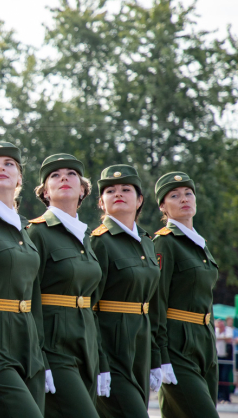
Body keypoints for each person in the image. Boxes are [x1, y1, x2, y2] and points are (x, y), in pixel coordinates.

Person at [0, 142, 45, 418]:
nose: (0, 168)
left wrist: (41, 356)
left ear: (19, 178)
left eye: (9, 164)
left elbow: (34, 297)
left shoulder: (25, 229)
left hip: (29, 345)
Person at [26, 153, 102, 418]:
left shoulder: (86, 236)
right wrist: (39, 356)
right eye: (55, 176)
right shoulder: (38, 232)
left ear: (82, 190)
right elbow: (30, 295)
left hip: (86, 344)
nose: (64, 178)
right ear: (45, 192)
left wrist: (99, 356)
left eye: (71, 174)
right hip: (54, 345)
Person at [90, 165, 161, 417]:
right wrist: (99, 360)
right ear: (101, 202)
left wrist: (155, 356)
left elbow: (151, 305)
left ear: (139, 200)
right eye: (110, 190)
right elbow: (89, 306)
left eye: (126, 189)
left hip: (140, 346)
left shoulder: (147, 243)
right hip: (112, 347)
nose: (118, 193)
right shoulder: (99, 241)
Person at [149, 171, 219, 418]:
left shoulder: (200, 244)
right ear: (163, 206)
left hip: (205, 341)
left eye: (188, 193)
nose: (184, 199)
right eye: (174, 196)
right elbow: (156, 301)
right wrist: (161, 355)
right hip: (178, 345)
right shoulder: (164, 242)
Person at [216, 318, 233, 402]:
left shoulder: (228, 330)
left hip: (227, 358)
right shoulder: (215, 330)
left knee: (224, 377)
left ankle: (226, 397)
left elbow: (229, 339)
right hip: (218, 357)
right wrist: (223, 338)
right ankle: (219, 396)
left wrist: (219, 338)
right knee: (218, 377)